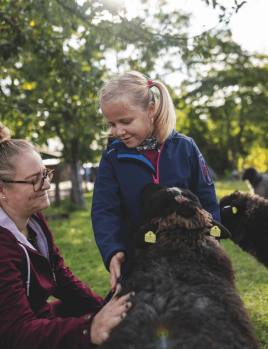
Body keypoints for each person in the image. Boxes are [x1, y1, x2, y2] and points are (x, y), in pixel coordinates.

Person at [0, 118, 134, 349]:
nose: (47, 185)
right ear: (0, 190)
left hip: (32, 324)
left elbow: (59, 277)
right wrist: (89, 329)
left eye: (45, 174)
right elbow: (16, 332)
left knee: (80, 310)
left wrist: (102, 309)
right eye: (35, 180)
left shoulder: (33, 220)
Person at [91, 71, 220, 293]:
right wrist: (112, 250)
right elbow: (104, 209)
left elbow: (206, 197)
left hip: (188, 256)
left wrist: (211, 240)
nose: (118, 131)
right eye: (111, 124)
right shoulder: (112, 158)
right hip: (137, 259)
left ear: (150, 109)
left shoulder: (185, 148)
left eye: (125, 121)